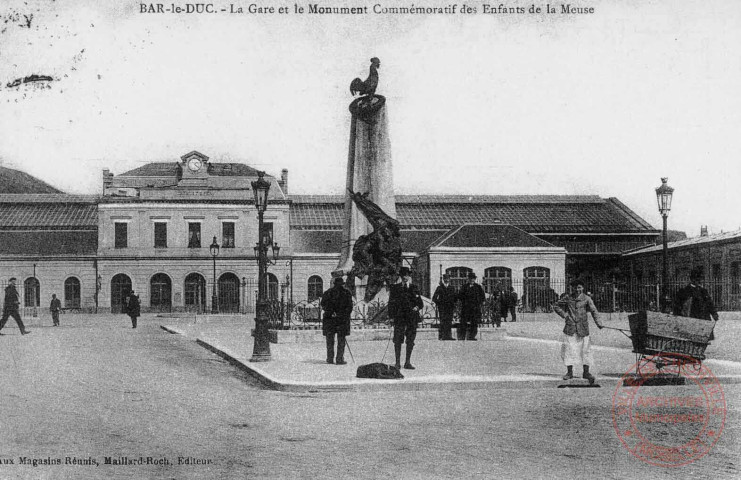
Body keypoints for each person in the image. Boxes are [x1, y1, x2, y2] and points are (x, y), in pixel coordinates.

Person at [553, 281, 603, 384]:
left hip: (583, 328)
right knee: (568, 350)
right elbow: (556, 306)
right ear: (572, 288)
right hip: (570, 328)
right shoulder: (568, 297)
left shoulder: (587, 299)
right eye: (575, 288)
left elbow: (594, 311)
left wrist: (599, 323)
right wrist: (565, 315)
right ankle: (569, 372)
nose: (577, 290)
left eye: (579, 287)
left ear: (583, 288)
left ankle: (586, 372)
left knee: (586, 350)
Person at [388, 267, 423, 369]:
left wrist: (417, 307)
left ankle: (407, 362)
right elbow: (391, 304)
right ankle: (397, 362)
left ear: (409, 276)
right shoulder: (395, 288)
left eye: (407, 275)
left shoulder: (414, 288)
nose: (405, 277)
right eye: (403, 275)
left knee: (410, 340)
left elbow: (420, 303)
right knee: (398, 340)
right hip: (399, 318)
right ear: (401, 276)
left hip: (412, 318)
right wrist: (391, 317)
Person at [673, 266, 719, 339]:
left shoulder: (703, 291)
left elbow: (709, 303)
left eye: (700, 279)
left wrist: (714, 314)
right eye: (697, 279)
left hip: (704, 318)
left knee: (704, 337)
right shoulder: (684, 291)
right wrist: (677, 316)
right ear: (692, 279)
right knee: (691, 336)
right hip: (691, 318)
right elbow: (678, 305)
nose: (699, 281)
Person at [320, 276, 354, 365]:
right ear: (342, 284)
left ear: (334, 284)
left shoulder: (328, 293)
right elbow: (349, 307)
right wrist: (341, 314)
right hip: (342, 320)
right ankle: (339, 359)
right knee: (341, 340)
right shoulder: (346, 293)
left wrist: (331, 312)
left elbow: (323, 304)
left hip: (330, 319)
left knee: (330, 340)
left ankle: (330, 358)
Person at [458, 272, 485, 340]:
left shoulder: (478, 287)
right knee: (463, 322)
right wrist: (464, 301)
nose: (472, 280)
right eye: (470, 278)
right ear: (468, 279)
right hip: (466, 307)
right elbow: (460, 296)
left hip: (475, 308)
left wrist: (478, 303)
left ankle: (472, 336)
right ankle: (462, 336)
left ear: (475, 279)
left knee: (474, 322)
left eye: (473, 278)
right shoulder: (464, 287)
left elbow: (482, 297)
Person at [432, 274, 457, 340]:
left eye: (448, 278)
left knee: (449, 321)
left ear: (449, 279)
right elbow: (434, 298)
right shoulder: (439, 288)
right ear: (443, 279)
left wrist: (453, 303)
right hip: (442, 307)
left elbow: (455, 297)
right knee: (442, 321)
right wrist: (439, 303)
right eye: (445, 278)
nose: (446, 280)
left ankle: (449, 336)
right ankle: (442, 336)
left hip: (449, 307)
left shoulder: (452, 288)